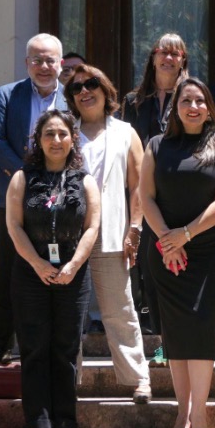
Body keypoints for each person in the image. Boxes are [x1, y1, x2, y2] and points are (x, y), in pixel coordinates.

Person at [139, 78, 215, 428]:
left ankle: (200, 412)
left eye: (199, 101)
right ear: (175, 108)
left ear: (209, 108)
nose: (193, 107)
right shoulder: (156, 145)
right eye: (185, 101)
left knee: (200, 328)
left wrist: (186, 235)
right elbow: (146, 197)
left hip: (206, 252)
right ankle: (182, 411)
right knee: (174, 333)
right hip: (165, 251)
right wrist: (168, 239)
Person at [6, 110, 100, 428]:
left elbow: (92, 227)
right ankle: (38, 422)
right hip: (31, 271)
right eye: (49, 134)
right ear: (39, 140)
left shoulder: (85, 181)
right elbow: (14, 226)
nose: (56, 140)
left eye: (62, 134)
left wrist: (73, 265)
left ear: (73, 139)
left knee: (65, 347)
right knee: (34, 347)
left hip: (73, 273)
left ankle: (64, 421)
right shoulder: (22, 178)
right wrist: (37, 264)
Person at [63, 63, 152, 403]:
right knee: (70, 312)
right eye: (76, 88)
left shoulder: (125, 132)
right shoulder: (64, 132)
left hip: (112, 231)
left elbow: (138, 184)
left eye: (91, 84)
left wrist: (135, 227)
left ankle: (138, 379)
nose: (84, 92)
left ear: (105, 89)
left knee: (119, 308)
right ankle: (68, 380)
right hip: (70, 235)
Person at [0, 33, 68, 366]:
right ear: (26, 63)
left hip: (58, 199)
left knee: (53, 268)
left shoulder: (72, 98)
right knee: (6, 274)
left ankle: (48, 345)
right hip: (12, 197)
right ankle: (0, 344)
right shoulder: (7, 94)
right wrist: (27, 177)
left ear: (60, 63)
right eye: (37, 60)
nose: (43, 66)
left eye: (50, 60)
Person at [122, 33, 189, 147]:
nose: (168, 58)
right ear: (153, 59)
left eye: (174, 54)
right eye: (163, 52)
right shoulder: (133, 101)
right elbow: (127, 143)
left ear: (182, 61)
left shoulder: (190, 100)